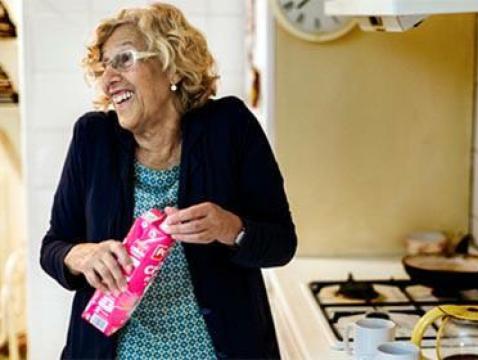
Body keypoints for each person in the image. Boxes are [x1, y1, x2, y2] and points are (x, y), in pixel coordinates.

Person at [39, 3, 297, 359]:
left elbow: (282, 243)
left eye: (124, 59)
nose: (108, 77)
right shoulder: (93, 137)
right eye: (104, 65)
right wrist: (82, 256)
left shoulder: (230, 127)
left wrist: (231, 228)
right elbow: (54, 245)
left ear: (170, 64)